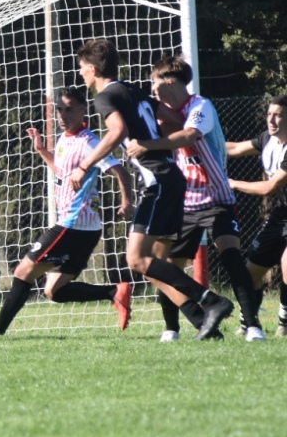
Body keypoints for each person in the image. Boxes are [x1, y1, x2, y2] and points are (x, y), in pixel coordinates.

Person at [71, 39, 234, 339]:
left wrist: (85, 165)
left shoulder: (106, 97)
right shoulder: (134, 90)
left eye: (82, 69)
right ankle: (204, 324)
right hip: (170, 179)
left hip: (159, 182)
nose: (81, 74)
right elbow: (173, 119)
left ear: (93, 69)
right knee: (153, 264)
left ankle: (213, 302)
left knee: (137, 260)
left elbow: (117, 130)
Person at [0, 86, 136, 337]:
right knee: (54, 291)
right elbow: (62, 172)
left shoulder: (90, 143)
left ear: (84, 109)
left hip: (72, 225)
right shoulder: (64, 139)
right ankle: (113, 292)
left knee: (22, 272)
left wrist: (126, 201)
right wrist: (43, 151)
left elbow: (121, 171)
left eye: (69, 110)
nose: (62, 116)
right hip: (85, 229)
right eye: (59, 110)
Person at [126, 57, 264, 341]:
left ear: (169, 82)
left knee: (231, 257)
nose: (152, 89)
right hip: (183, 203)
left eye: (154, 82)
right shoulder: (163, 113)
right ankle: (171, 328)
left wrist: (147, 145)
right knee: (168, 267)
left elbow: (189, 136)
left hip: (216, 198)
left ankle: (252, 326)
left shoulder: (201, 106)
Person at [225, 94, 287, 336]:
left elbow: (268, 187)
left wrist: (232, 183)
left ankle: (284, 322)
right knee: (251, 272)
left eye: (278, 115)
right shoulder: (267, 140)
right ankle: (248, 322)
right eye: (269, 114)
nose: (271, 120)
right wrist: (203, 141)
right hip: (280, 214)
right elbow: (236, 148)